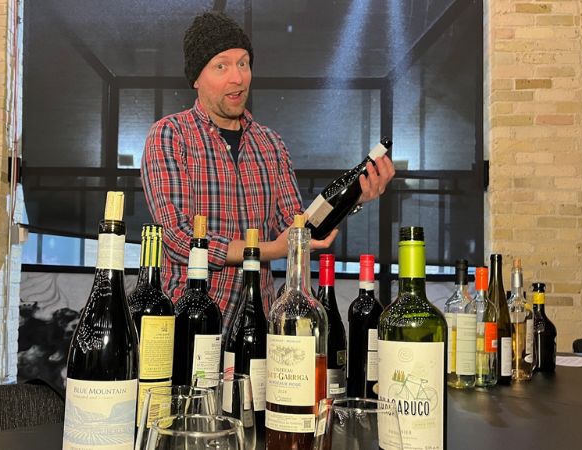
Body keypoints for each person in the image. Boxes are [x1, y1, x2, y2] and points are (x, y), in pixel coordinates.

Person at [140, 11, 395, 329]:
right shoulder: (170, 135)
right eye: (221, 66)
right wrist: (272, 249)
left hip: (256, 325)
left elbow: (297, 227)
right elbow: (179, 237)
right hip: (188, 323)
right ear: (196, 77)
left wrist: (354, 197)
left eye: (243, 63)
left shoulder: (270, 143)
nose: (237, 78)